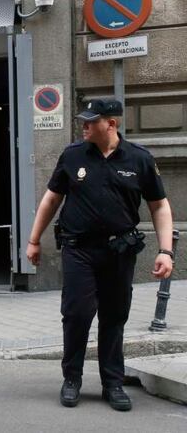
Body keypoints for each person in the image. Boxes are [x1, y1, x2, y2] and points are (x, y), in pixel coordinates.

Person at [26, 98, 173, 412]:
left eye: (91, 120)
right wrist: (34, 240)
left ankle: (112, 382)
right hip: (79, 249)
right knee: (77, 313)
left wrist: (165, 251)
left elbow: (159, 205)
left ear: (112, 123)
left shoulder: (139, 159)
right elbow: (51, 200)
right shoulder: (72, 155)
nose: (85, 125)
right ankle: (72, 378)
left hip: (119, 251)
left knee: (114, 316)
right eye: (84, 119)